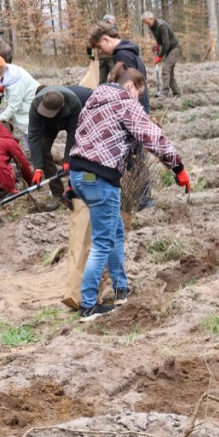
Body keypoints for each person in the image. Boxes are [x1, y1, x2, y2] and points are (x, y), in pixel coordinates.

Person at [68, 63, 189, 321]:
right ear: (130, 86)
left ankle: (121, 289)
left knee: (114, 232)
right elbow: (152, 136)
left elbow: (82, 138)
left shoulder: (93, 101)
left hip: (80, 174)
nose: (138, 100)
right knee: (103, 242)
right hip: (100, 177)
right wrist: (177, 166)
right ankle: (88, 305)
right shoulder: (125, 101)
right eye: (139, 94)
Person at [88, 21, 155, 210]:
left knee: (134, 155)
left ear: (106, 39)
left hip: (133, 110)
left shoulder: (123, 55)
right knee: (134, 154)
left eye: (100, 47)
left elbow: (126, 87)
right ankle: (142, 197)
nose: (100, 51)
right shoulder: (129, 51)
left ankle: (143, 199)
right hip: (137, 108)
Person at [27, 85, 92, 206]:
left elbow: (74, 134)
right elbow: (33, 137)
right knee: (42, 149)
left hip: (70, 119)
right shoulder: (36, 105)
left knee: (80, 155)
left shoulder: (74, 103)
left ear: (61, 107)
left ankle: (74, 189)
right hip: (48, 125)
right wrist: (37, 167)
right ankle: (57, 193)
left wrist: (67, 159)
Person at [0, 50, 39, 136]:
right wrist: (2, 87)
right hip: (26, 102)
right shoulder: (8, 70)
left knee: (31, 134)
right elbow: (5, 81)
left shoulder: (15, 81)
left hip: (31, 106)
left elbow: (13, 106)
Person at [142, 11, 180, 98]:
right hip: (168, 49)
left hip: (174, 48)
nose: (146, 24)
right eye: (144, 22)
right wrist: (157, 45)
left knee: (166, 69)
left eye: (146, 21)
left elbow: (166, 43)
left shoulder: (161, 25)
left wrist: (160, 56)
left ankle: (164, 92)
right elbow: (159, 39)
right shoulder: (152, 26)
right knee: (170, 72)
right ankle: (177, 93)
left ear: (151, 18)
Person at [0, 120, 33, 197]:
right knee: (17, 169)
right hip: (0, 182)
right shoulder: (9, 141)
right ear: (9, 131)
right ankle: (5, 189)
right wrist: (31, 182)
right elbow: (23, 164)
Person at [96, 14, 117, 85]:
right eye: (113, 20)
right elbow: (117, 40)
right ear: (109, 20)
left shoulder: (97, 29)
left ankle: (101, 93)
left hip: (101, 57)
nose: (114, 22)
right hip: (111, 56)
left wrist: (91, 55)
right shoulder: (112, 29)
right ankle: (114, 93)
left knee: (101, 79)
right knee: (114, 77)